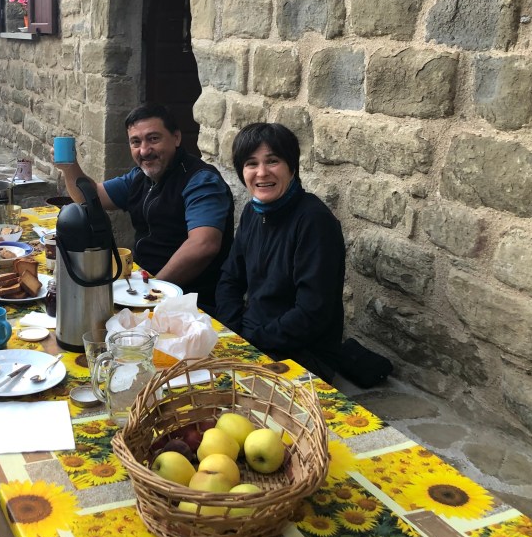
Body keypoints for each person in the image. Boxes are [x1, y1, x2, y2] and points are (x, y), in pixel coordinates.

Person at [54, 103, 233, 309]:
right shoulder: (139, 177)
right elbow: (91, 198)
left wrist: (153, 290)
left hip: (190, 301)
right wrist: (69, 167)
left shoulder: (201, 181)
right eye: (136, 142)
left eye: (153, 139)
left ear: (176, 138)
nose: (144, 150)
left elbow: (203, 245)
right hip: (145, 284)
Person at [214, 122, 345, 380]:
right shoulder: (252, 212)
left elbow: (311, 313)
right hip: (252, 336)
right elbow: (230, 278)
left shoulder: (314, 221)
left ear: (292, 166)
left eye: (272, 161)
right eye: (251, 163)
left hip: (301, 354)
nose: (262, 173)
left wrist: (251, 340)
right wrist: (233, 332)